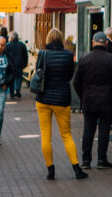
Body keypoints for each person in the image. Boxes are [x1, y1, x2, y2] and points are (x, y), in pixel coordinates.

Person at [32, 30, 83, 180]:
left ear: (48, 39)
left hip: (43, 99)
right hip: (62, 99)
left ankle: (50, 170)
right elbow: (69, 76)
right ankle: (76, 168)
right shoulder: (68, 55)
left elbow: (38, 72)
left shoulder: (42, 54)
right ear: (61, 39)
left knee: (45, 135)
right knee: (66, 134)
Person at [73, 33, 112, 170]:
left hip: (89, 100)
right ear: (107, 44)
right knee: (104, 130)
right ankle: (102, 159)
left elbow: (76, 82)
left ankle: (86, 160)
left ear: (92, 43)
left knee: (88, 129)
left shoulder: (84, 59)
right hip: (107, 100)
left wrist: (83, 95)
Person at [6, 32, 29, 99]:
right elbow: (25, 56)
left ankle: (12, 93)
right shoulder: (22, 45)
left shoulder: (8, 45)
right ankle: (18, 90)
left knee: (11, 79)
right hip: (19, 64)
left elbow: (5, 55)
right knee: (19, 77)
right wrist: (25, 64)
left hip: (10, 65)